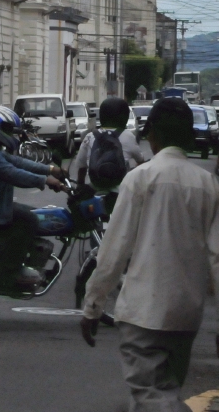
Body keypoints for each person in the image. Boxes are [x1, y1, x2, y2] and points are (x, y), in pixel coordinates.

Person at [80, 96, 219, 412]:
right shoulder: (208, 184)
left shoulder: (140, 178)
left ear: (152, 133)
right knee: (164, 391)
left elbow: (114, 250)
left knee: (152, 398)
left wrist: (92, 306)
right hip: (186, 315)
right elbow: (217, 259)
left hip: (144, 312)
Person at [0, 106, 67, 292]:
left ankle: (20, 262)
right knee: (28, 220)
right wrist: (46, 180)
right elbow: (14, 173)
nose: (11, 134)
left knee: (31, 215)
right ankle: (10, 274)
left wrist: (51, 170)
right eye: (8, 129)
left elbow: (18, 162)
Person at [71, 97, 150, 192]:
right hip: (121, 192)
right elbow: (140, 161)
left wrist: (80, 186)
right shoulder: (128, 136)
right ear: (124, 118)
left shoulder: (90, 136)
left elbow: (81, 166)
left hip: (96, 190)